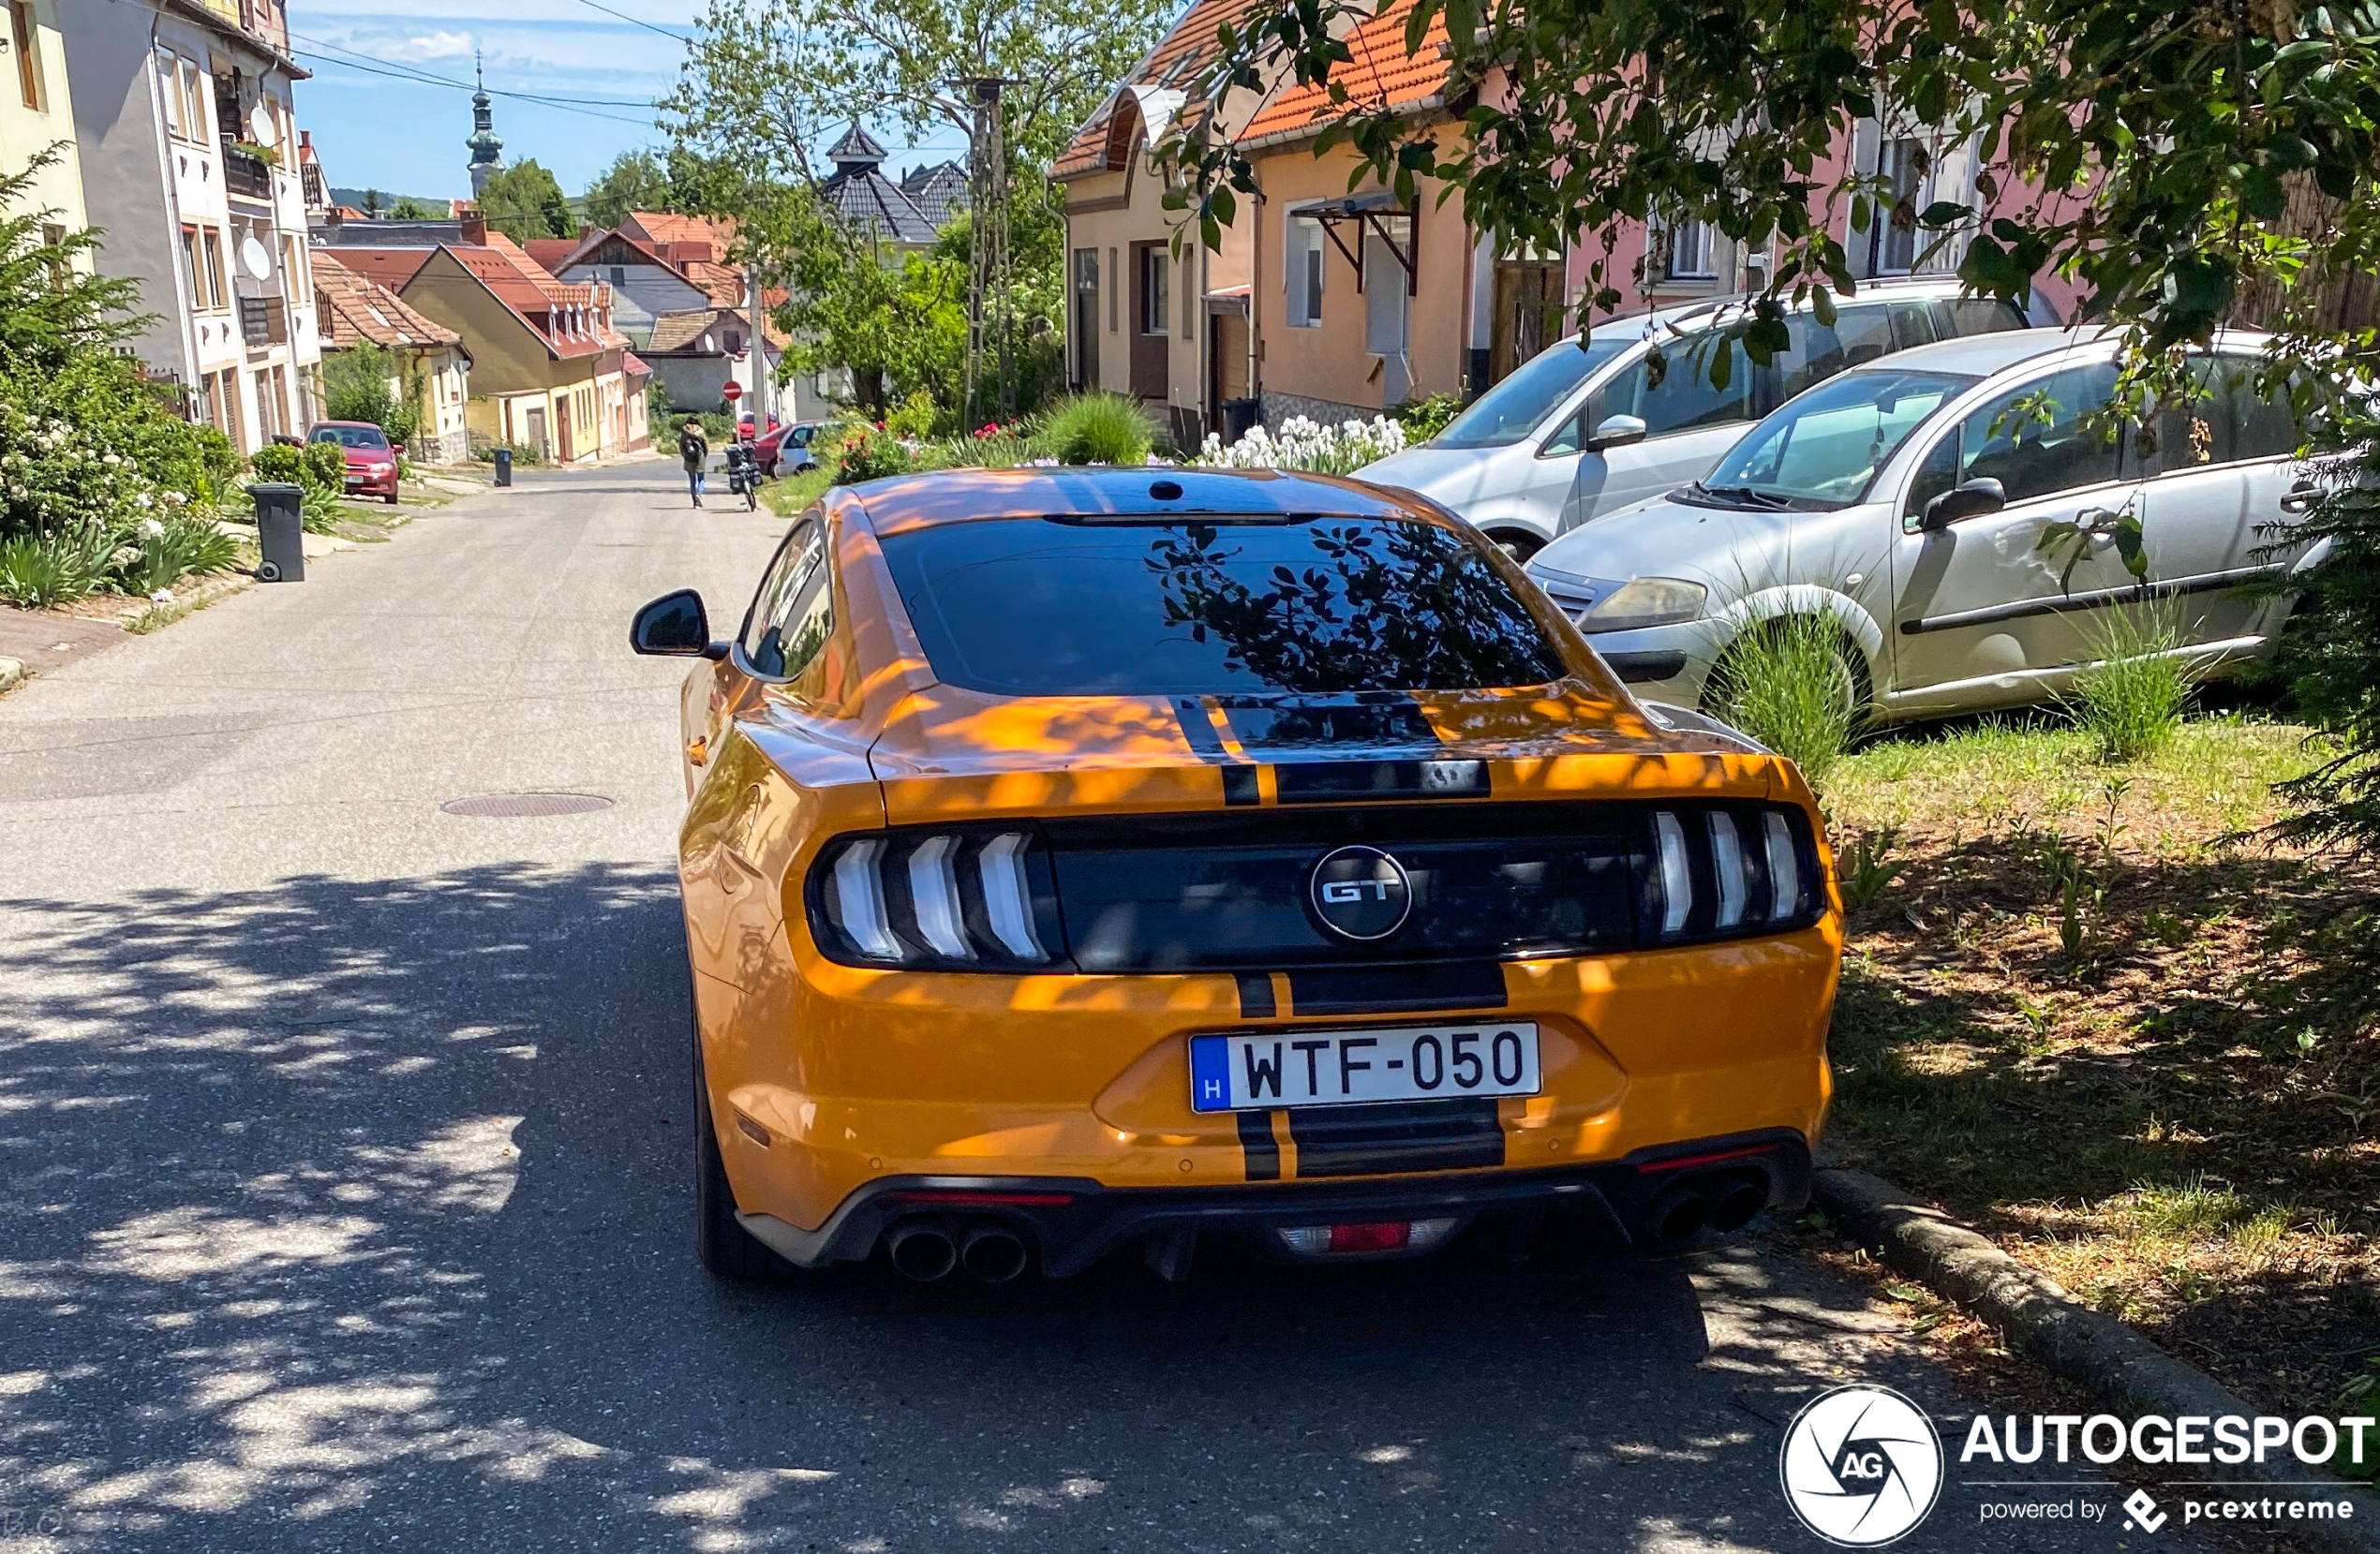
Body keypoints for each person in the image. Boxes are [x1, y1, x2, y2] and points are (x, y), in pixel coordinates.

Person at [678, 418, 709, 508]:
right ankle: (699, 494)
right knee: (701, 479)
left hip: (689, 459)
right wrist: (704, 455)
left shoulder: (684, 431)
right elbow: (705, 444)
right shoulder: (701, 431)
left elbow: (681, 445)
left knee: (692, 481)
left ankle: (695, 503)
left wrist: (685, 455)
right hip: (700, 458)